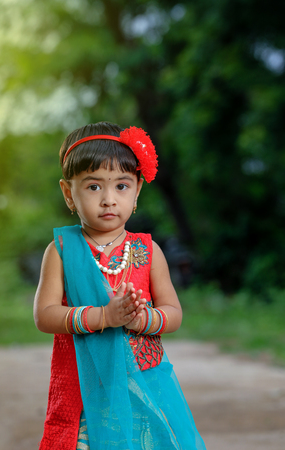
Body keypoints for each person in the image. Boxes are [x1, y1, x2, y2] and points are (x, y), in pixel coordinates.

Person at [34, 121, 206, 450]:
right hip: (85, 388)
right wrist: (103, 316)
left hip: (142, 387)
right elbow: (44, 315)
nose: (109, 199)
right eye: (94, 187)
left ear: (138, 189)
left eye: (121, 186)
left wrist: (142, 320)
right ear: (69, 192)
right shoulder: (62, 250)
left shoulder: (147, 251)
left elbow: (173, 312)